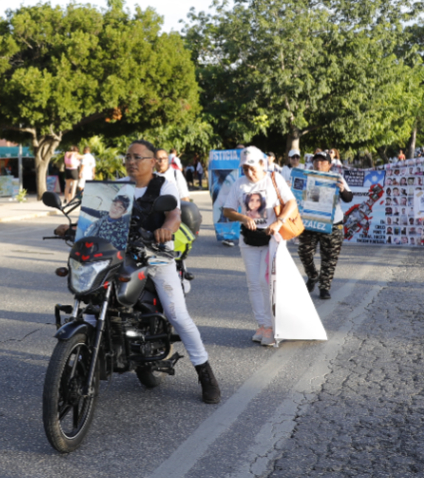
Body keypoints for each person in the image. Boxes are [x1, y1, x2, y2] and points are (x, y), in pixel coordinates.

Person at [117, 140, 220, 403]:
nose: (131, 161)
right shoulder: (119, 185)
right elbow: (102, 216)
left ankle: (204, 372)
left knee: (176, 313)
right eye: (128, 156)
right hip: (124, 257)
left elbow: (173, 215)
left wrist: (167, 230)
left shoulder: (164, 184)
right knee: (96, 300)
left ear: (152, 161)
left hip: (157, 257)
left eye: (137, 157)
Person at [220, 146, 299, 346]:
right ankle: (262, 325)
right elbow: (228, 210)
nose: (249, 172)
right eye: (245, 168)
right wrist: (243, 217)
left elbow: (291, 202)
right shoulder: (239, 184)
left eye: (252, 168)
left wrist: (279, 221)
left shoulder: (274, 179)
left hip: (271, 237)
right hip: (249, 238)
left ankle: (273, 327)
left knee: (267, 282)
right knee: (253, 282)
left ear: (262, 164)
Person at [297, 151, 354, 300]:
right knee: (304, 252)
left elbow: (349, 197)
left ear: (329, 165)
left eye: (323, 161)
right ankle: (313, 275)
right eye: (316, 161)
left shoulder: (336, 177)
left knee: (329, 257)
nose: (319, 163)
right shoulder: (306, 176)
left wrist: (341, 189)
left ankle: (324, 287)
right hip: (310, 222)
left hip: (332, 223)